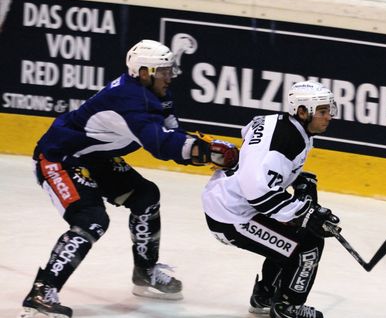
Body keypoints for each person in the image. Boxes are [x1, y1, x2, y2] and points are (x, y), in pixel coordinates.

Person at [18, 38, 238, 318]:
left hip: (92, 157)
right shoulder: (131, 99)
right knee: (91, 220)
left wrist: (202, 149)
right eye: (164, 71)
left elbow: (172, 131)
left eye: (170, 71)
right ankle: (41, 292)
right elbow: (159, 143)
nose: (169, 77)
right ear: (144, 72)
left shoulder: (154, 93)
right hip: (60, 158)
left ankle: (145, 272)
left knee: (146, 197)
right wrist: (206, 152)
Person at [201, 81, 340, 318]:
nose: (329, 117)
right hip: (232, 216)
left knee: (303, 206)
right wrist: (304, 214)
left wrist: (296, 184)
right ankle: (288, 308)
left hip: (227, 198)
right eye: (323, 112)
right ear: (303, 112)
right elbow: (257, 193)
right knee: (309, 246)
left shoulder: (275, 121)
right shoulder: (289, 141)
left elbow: (249, 132)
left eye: (329, 110)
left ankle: (265, 295)